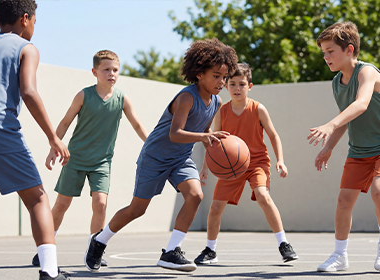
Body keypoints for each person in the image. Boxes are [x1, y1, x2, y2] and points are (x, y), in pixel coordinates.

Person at [83, 38, 238, 272]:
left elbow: (204, 131)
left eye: (224, 77)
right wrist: (203, 138)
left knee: (195, 195)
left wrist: (217, 145)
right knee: (137, 209)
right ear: (199, 74)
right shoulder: (186, 97)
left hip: (181, 158)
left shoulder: (216, 101)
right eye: (216, 76)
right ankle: (99, 240)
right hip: (155, 156)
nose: (221, 82)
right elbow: (175, 134)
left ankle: (171, 252)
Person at [31, 50, 148, 267]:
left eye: (115, 70)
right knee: (62, 204)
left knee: (101, 204)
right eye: (106, 70)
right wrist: (53, 147)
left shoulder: (122, 99)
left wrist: (151, 145)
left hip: (102, 162)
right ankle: (45, 246)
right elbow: (65, 122)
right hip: (74, 159)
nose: (111, 73)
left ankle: (95, 249)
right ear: (95, 72)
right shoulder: (83, 95)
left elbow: (138, 125)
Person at [0, 1, 71, 280]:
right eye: (36, 20)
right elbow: (29, 91)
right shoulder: (27, 48)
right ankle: (49, 271)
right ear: (26, 19)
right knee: (37, 198)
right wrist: (53, 137)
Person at [194, 63, 298, 265]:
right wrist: (206, 167)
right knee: (215, 207)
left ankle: (284, 244)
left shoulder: (258, 109)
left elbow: (274, 135)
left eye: (241, 84)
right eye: (232, 84)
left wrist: (281, 161)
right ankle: (210, 250)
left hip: (257, 162)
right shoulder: (222, 111)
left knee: (263, 195)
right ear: (226, 86)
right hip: (231, 165)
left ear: (249, 86)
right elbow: (215, 142)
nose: (237, 88)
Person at [308, 21, 380, 272]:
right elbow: (345, 115)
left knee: (379, 191)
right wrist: (328, 147)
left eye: (330, 51)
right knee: (344, 201)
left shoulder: (367, 72)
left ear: (349, 50)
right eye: (324, 52)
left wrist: (329, 124)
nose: (326, 57)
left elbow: (360, 104)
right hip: (360, 149)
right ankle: (340, 256)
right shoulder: (336, 82)